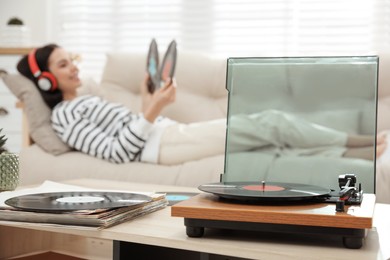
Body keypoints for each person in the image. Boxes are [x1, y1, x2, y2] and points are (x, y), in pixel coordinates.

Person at [16, 44, 386, 165]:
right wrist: (155, 108)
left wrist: (150, 94)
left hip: (167, 133)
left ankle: (361, 153)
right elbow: (119, 151)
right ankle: (364, 143)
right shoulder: (65, 117)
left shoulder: (87, 99)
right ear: (44, 79)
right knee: (270, 121)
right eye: (63, 64)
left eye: (72, 60)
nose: (74, 67)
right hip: (162, 146)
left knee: (269, 141)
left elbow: (130, 124)